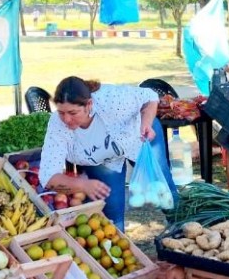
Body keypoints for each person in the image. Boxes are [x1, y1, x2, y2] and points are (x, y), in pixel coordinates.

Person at [38, 77, 178, 231]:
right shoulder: (57, 126)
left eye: (73, 112)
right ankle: (122, 251)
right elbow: (48, 176)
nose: (66, 119)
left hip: (138, 136)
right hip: (101, 160)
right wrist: (82, 185)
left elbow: (150, 96)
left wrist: (145, 123)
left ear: (89, 105)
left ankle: (182, 230)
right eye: (61, 112)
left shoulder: (110, 99)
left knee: (163, 188)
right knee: (110, 213)